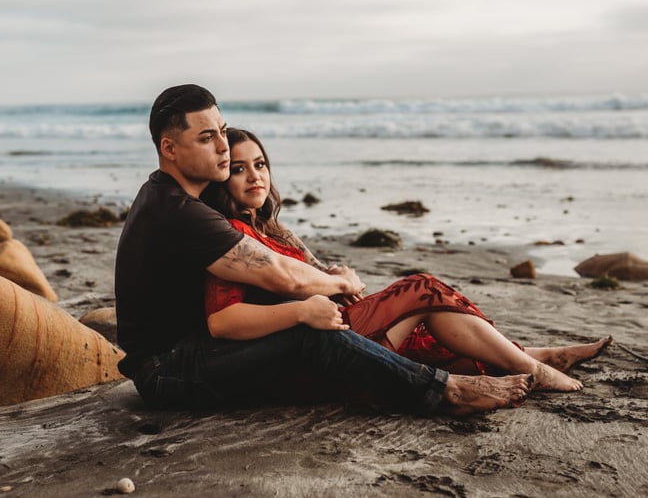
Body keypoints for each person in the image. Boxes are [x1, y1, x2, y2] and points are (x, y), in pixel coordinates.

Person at [115, 84, 532, 415]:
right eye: (207, 138)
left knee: (312, 332)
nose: (223, 146)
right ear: (170, 149)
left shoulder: (171, 199)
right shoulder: (177, 211)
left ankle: (490, 360)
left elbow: (280, 267)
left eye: (223, 132)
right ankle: (449, 392)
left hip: (191, 353)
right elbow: (282, 275)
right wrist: (336, 281)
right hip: (169, 370)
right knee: (310, 336)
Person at [203, 128, 612, 391]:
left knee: (428, 337)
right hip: (311, 346)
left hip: (337, 329)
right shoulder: (230, 236)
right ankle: (535, 368)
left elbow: (313, 272)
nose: (255, 176)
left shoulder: (268, 228)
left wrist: (333, 275)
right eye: (238, 169)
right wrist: (323, 294)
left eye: (260, 165)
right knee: (422, 287)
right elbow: (222, 320)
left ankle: (538, 356)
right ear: (222, 176)